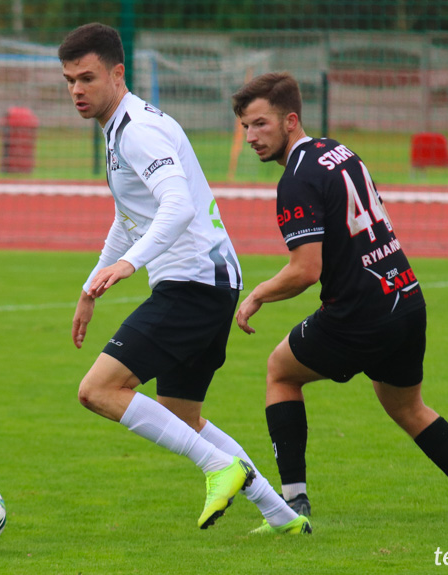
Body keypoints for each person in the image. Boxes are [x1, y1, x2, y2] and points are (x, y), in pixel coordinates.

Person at [59, 23, 311, 534]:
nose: (77, 91)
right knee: (181, 413)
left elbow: (175, 205)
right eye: (69, 81)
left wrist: (130, 264)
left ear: (117, 73)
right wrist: (91, 287)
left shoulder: (139, 130)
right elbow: (131, 216)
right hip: (206, 283)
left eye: (87, 78)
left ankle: (220, 467)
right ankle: (281, 516)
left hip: (194, 284)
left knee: (98, 390)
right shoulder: (121, 128)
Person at [231, 72, 448, 518]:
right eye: (245, 126)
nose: (250, 136)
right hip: (406, 297)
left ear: (290, 121)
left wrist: (257, 295)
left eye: (260, 124)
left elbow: (306, 271)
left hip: (359, 314)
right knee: (407, 406)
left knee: (280, 372)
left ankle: (292, 503)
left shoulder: (296, 180)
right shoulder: (337, 150)